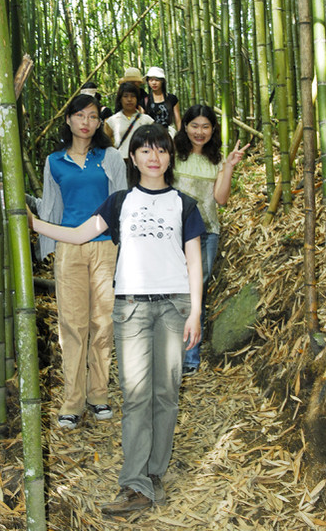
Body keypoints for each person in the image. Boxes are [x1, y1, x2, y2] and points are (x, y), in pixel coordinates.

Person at [28, 124, 205, 515]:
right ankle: (135, 484)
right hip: (131, 308)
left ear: (170, 157)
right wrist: (34, 223)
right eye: (146, 150)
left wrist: (195, 311)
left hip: (173, 306)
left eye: (161, 150)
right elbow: (79, 235)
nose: (154, 157)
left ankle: (154, 473)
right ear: (133, 158)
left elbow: (194, 261)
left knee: (165, 395)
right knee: (137, 395)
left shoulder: (184, 204)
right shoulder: (120, 202)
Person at [28, 93, 127, 429]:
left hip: (105, 247)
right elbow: (51, 208)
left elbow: (121, 203)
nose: (86, 122)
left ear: (100, 122)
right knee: (72, 324)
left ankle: (98, 394)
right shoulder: (54, 161)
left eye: (93, 116)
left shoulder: (109, 157)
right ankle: (72, 401)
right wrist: (20, 205)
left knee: (103, 323)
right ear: (69, 119)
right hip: (69, 248)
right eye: (80, 115)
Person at [174, 104, 250, 375]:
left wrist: (228, 167)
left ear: (213, 129)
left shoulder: (216, 159)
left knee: (197, 291)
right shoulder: (172, 154)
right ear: (185, 126)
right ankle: (170, 351)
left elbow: (221, 198)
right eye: (194, 125)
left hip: (207, 232)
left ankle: (190, 357)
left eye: (205, 126)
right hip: (174, 232)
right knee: (172, 288)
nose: (199, 131)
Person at [104, 82, 154, 161]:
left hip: (142, 161)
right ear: (120, 99)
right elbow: (105, 144)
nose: (129, 99)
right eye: (125, 96)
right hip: (120, 161)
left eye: (133, 96)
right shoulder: (112, 121)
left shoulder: (147, 120)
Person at [144, 66, 182, 133]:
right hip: (151, 135)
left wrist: (180, 135)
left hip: (169, 133)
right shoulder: (145, 100)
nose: (154, 83)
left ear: (162, 81)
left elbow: (178, 120)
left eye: (157, 80)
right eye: (151, 80)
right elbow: (142, 122)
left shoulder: (172, 99)